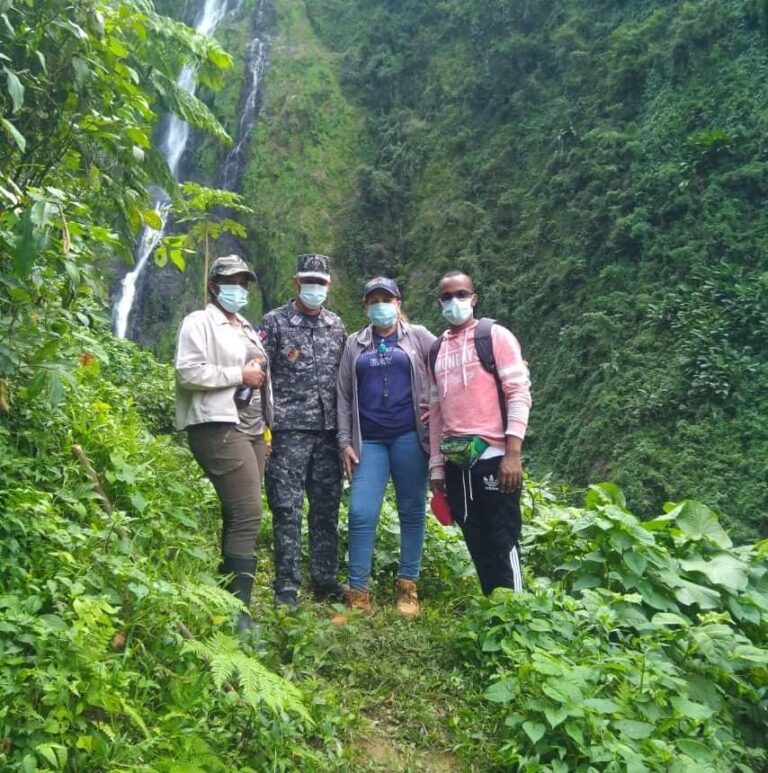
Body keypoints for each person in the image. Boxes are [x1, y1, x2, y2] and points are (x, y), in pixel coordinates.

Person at [174, 254, 273, 631]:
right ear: (214, 285)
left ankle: (225, 599)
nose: (239, 287)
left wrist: (268, 428)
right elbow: (187, 371)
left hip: (251, 429)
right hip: (216, 426)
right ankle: (238, 616)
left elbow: (260, 378)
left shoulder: (245, 325)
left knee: (238, 512)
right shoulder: (199, 322)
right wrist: (238, 374)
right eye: (231, 280)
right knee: (249, 513)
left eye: (244, 281)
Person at [428, 271, 532, 595]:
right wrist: (437, 467)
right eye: (447, 296)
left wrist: (512, 454)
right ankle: (493, 606)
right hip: (458, 459)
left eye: (461, 294)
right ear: (439, 302)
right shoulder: (436, 350)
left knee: (502, 537)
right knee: (474, 536)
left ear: (473, 298)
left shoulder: (494, 337)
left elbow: (518, 393)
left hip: (495, 458)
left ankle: (514, 614)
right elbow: (436, 414)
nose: (454, 301)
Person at [337, 277, 435, 615]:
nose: (381, 304)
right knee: (361, 513)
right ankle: (358, 593)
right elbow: (344, 394)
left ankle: (408, 587)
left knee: (412, 511)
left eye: (387, 298)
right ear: (365, 306)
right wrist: (344, 441)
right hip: (370, 441)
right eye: (374, 299)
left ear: (398, 302)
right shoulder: (355, 343)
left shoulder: (418, 337)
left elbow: (450, 358)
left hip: (410, 436)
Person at [258, 254, 347, 607]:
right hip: (287, 433)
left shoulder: (336, 326)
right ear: (296, 283)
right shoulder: (275, 323)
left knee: (326, 509)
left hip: (327, 434)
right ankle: (287, 588)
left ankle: (325, 580)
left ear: (329, 284)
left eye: (321, 282)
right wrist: (263, 433)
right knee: (287, 509)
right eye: (309, 281)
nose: (315, 288)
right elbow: (258, 378)